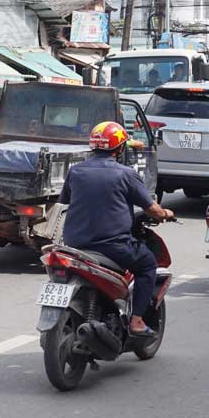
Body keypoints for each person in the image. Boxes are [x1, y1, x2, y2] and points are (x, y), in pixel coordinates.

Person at [59, 121, 174, 338]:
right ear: (120, 148)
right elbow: (153, 211)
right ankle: (137, 320)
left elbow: (65, 200)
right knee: (148, 264)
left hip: (75, 244)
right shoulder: (126, 174)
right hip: (112, 246)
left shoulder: (75, 171)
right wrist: (167, 214)